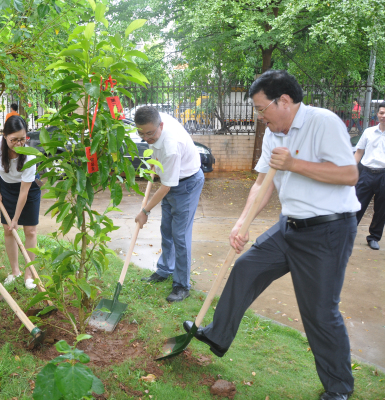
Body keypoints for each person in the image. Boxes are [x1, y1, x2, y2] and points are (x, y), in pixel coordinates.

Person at [183, 70, 359, 400]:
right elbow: (263, 185)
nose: (260, 118)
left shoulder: (324, 123)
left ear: (285, 101)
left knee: (320, 312)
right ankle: (218, 335)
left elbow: (349, 174)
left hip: (328, 232)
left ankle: (339, 388)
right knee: (246, 268)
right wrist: (241, 223)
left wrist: (295, 165)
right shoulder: (274, 134)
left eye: (262, 110)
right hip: (288, 226)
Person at [134, 106, 204, 303]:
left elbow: (165, 188)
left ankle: (182, 285)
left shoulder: (171, 147)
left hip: (187, 183)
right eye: (141, 133)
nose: (146, 137)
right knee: (167, 228)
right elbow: (155, 147)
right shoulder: (155, 119)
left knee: (180, 235)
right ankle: (165, 269)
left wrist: (144, 211)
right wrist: (154, 160)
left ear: (161, 126)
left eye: (150, 133)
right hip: (173, 179)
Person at [0, 115, 41, 289]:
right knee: (8, 231)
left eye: (22, 139)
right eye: (14, 139)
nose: (19, 143)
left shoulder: (29, 156)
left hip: (28, 189)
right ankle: (15, 271)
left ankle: (29, 275)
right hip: (7, 188)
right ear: (4, 135)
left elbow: (24, 191)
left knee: (30, 231)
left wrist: (16, 218)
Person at [354, 102, 385, 251]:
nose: (383, 116)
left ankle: (373, 237)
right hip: (366, 173)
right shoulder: (368, 132)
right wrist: (352, 170)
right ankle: (348, 233)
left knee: (381, 209)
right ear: (377, 114)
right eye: (381, 113)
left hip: (384, 175)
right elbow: (359, 152)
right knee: (356, 205)